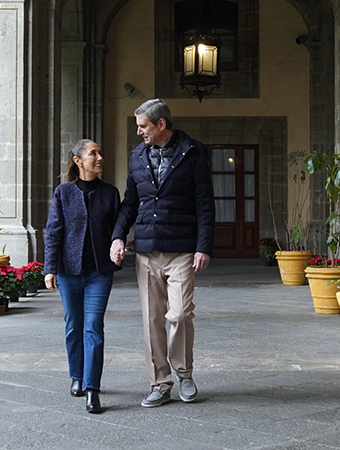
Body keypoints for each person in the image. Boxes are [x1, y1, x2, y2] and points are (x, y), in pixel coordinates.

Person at [110, 99, 214, 408]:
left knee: (180, 314)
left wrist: (203, 246)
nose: (139, 130)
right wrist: (118, 236)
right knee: (151, 318)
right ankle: (159, 382)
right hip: (146, 248)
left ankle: (184, 374)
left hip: (181, 248)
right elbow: (130, 202)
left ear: (161, 125)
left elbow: (204, 202)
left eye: (143, 125)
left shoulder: (193, 152)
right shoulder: (138, 156)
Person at [44, 139, 121, 414]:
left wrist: (119, 244)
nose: (99, 157)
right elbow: (53, 231)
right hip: (69, 272)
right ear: (78, 161)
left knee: (93, 326)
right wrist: (49, 268)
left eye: (100, 152)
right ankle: (76, 375)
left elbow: (117, 230)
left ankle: (92, 388)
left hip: (100, 272)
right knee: (74, 326)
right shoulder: (63, 192)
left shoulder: (111, 193)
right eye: (93, 153)